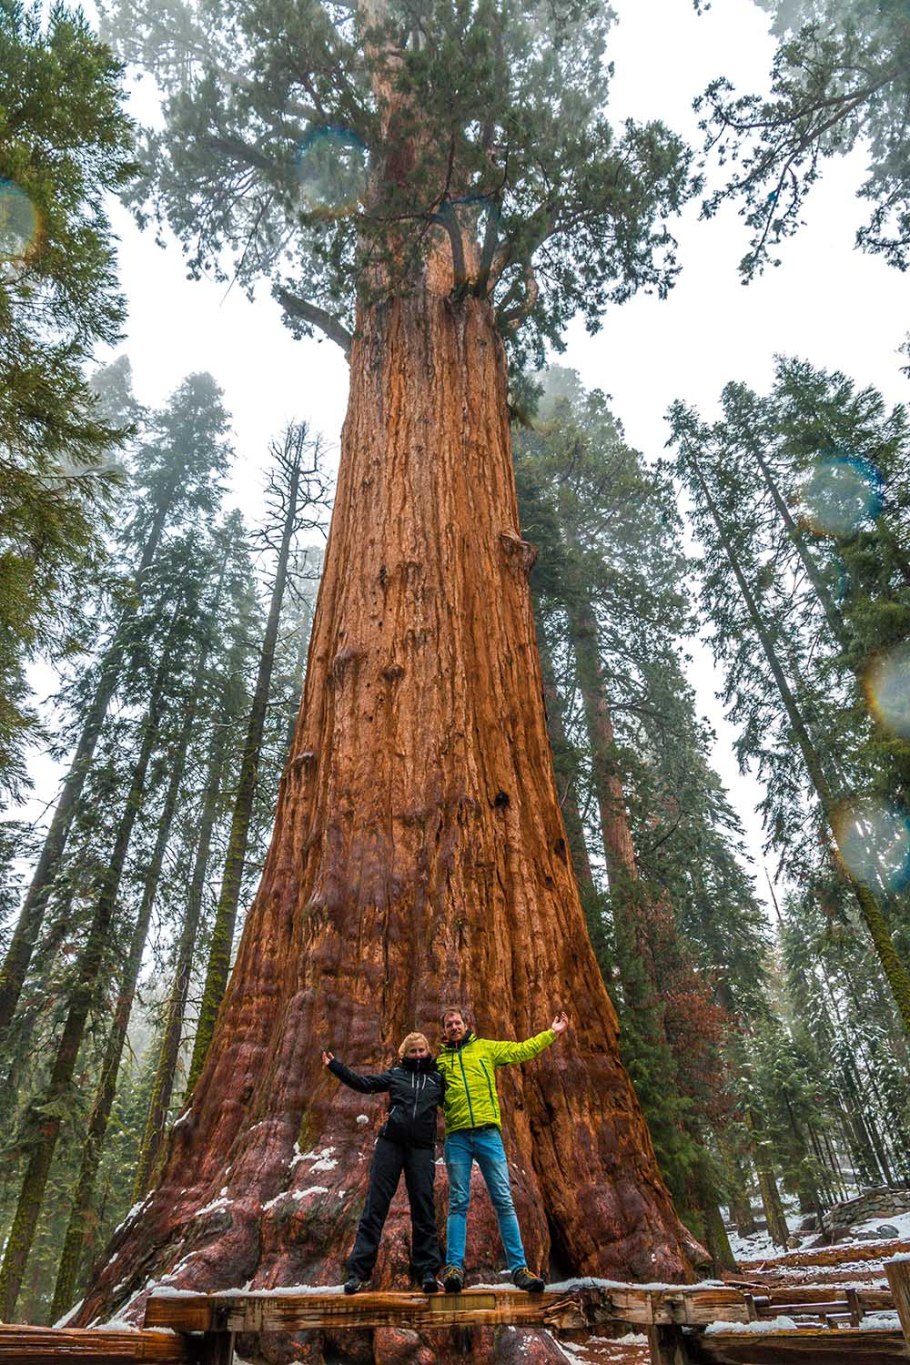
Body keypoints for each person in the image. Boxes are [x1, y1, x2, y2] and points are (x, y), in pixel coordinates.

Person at [435, 1005, 569, 1294]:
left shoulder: (485, 1049)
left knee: (504, 1200)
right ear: (443, 1031)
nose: (455, 1027)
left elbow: (521, 1050)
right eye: (449, 1025)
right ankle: (454, 1269)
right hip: (457, 1137)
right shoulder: (440, 1063)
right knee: (458, 1202)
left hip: (487, 1134)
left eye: (458, 1022)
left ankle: (519, 1269)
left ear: (466, 1024)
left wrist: (551, 1033)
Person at [322, 1032, 444, 1295]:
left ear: (428, 1050)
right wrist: (336, 1067)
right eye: (413, 1051)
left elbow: (455, 1102)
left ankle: (426, 1271)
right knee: (375, 1205)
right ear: (404, 1054)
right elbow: (365, 1084)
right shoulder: (396, 1075)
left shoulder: (437, 1078)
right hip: (391, 1144)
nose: (418, 1055)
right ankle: (358, 1272)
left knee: (423, 1206)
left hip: (422, 1148)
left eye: (422, 1050)